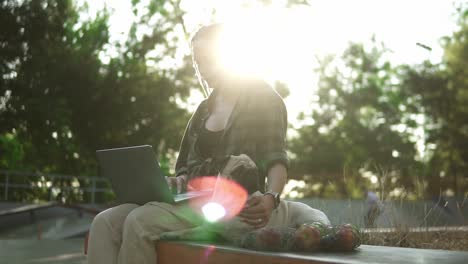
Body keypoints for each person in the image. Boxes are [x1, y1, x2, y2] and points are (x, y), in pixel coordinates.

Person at [86, 23, 329, 264]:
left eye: (209, 59)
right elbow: (183, 168)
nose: (202, 68)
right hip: (190, 202)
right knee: (105, 222)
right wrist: (176, 181)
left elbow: (276, 160)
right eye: (198, 61)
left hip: (232, 205)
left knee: (140, 221)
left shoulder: (265, 100)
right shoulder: (202, 111)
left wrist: (271, 197)